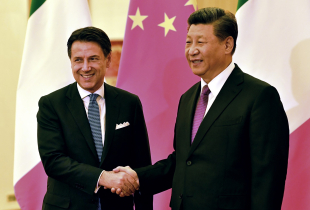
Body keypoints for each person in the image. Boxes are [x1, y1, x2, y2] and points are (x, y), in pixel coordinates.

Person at [111, 7, 289, 210]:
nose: (192, 50)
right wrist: (136, 177)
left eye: (201, 42)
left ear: (227, 44)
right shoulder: (188, 98)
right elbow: (182, 161)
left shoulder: (260, 96)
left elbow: (267, 178)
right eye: (188, 42)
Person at [37, 26, 153, 210]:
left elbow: (142, 165)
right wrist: (102, 177)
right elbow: (53, 161)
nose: (85, 67)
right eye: (78, 60)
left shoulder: (129, 102)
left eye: (93, 59)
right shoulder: (51, 104)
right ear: (70, 62)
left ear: (108, 60)